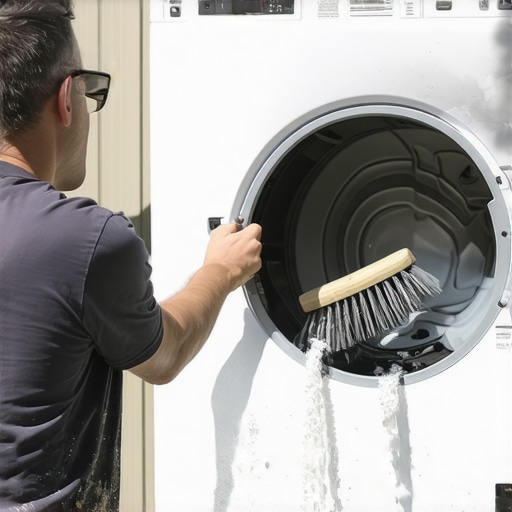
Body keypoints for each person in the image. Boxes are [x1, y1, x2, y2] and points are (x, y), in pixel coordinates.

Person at [0, 1, 262, 510]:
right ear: (66, 98)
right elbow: (164, 355)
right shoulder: (86, 240)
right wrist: (221, 271)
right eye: (91, 89)